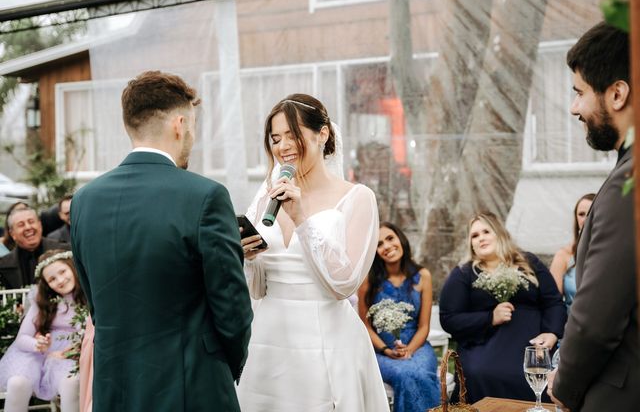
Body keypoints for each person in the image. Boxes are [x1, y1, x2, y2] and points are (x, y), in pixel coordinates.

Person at [70, 70, 253, 412]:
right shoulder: (205, 195)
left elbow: (96, 300)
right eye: (194, 126)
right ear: (179, 124)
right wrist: (224, 366)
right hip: (191, 385)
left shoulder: (84, 201)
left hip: (114, 388)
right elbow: (232, 307)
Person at [236, 93, 388, 411]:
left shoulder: (358, 197)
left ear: (323, 134)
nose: (282, 146)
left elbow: (343, 285)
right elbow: (257, 289)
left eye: (292, 135)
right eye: (275, 138)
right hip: (269, 341)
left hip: (327, 341)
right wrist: (248, 259)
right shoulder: (266, 194)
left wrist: (301, 218)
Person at [548, 22, 639, 411]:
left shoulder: (629, 183)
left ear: (617, 93)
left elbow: (596, 320)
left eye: (579, 92)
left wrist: (563, 386)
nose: (574, 108)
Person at [439, 211, 566, 403]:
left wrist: (551, 333)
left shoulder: (528, 262)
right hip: (484, 345)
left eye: (486, 232)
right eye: (474, 235)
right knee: (482, 372)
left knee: (536, 372)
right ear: (470, 243)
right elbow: (449, 318)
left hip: (531, 343)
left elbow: (553, 302)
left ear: (499, 233)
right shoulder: (464, 273)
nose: (481, 238)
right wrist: (490, 318)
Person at [357, 222, 440, 412]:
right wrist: (387, 350)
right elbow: (365, 326)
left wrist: (409, 350)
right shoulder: (368, 280)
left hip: (417, 347)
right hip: (381, 351)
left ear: (400, 239)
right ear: (374, 251)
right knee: (404, 374)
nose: (386, 246)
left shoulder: (423, 276)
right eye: (379, 244)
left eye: (390, 238)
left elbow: (424, 326)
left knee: (420, 372)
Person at [0, 249, 85, 411]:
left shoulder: (88, 293)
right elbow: (22, 338)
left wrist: (72, 351)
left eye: (63, 272)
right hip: (39, 355)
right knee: (17, 382)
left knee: (71, 382)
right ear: (46, 284)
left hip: (73, 355)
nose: (60, 280)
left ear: (72, 267)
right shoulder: (45, 300)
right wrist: (37, 344)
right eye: (52, 279)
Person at [0, 207, 70, 289]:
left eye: (31, 222)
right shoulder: (2, 265)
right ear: (12, 234)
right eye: (21, 225)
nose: (28, 227)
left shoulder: (65, 251)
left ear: (40, 225)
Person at [549, 193, 595, 310]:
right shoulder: (564, 255)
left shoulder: (612, 253)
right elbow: (553, 301)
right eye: (581, 214)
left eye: (590, 213)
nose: (585, 219)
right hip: (572, 323)